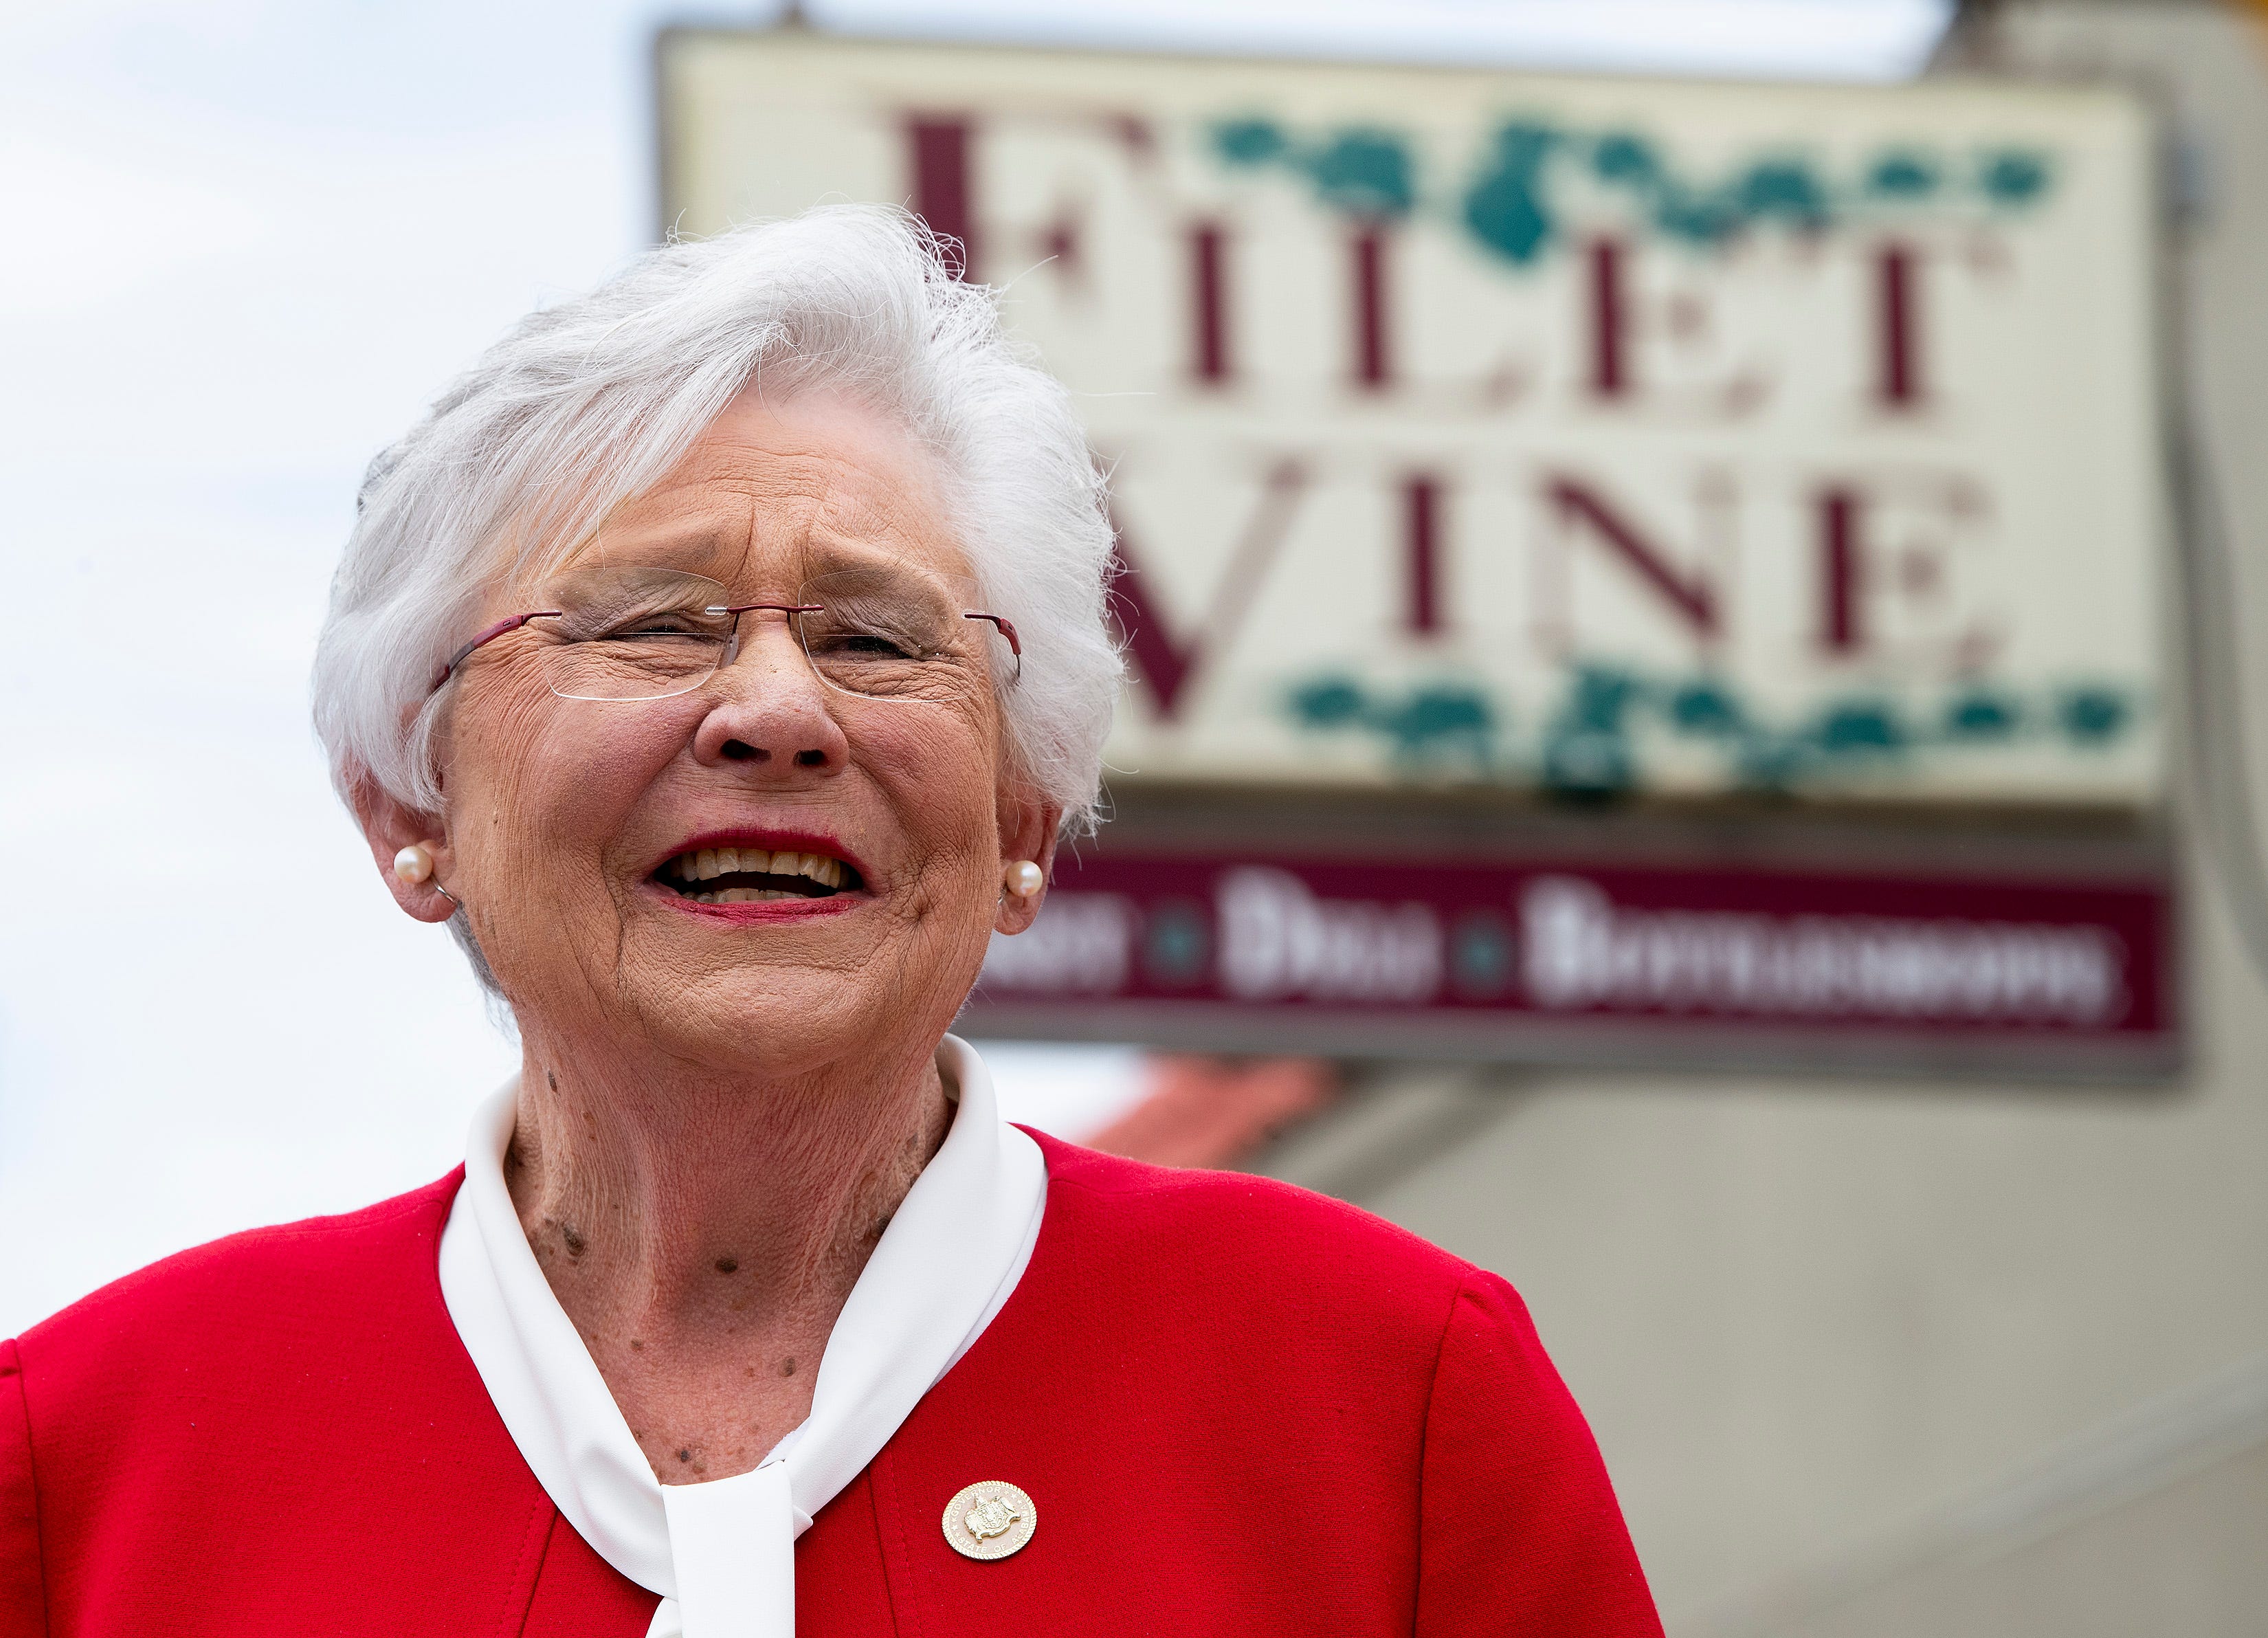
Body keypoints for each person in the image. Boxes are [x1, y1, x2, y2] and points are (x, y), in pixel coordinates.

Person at [0, 206, 1660, 1637]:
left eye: (880, 641)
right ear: (413, 811)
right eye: (656, 625)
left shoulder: (1382, 1396)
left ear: (1021, 824)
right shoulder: (88, 1458)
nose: (780, 710)